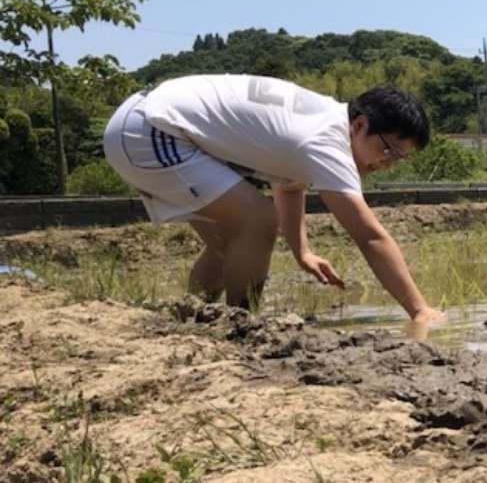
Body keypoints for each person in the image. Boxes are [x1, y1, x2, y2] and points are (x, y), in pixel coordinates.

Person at [102, 74, 445, 323]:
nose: (386, 164)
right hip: (151, 131)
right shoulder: (328, 141)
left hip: (145, 119)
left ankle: (190, 315)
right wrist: (419, 309)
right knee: (257, 222)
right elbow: (369, 236)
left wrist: (302, 251)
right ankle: (241, 325)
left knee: (229, 241)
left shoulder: (319, 121)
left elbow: (289, 185)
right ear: (359, 125)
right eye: (387, 150)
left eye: (398, 158)